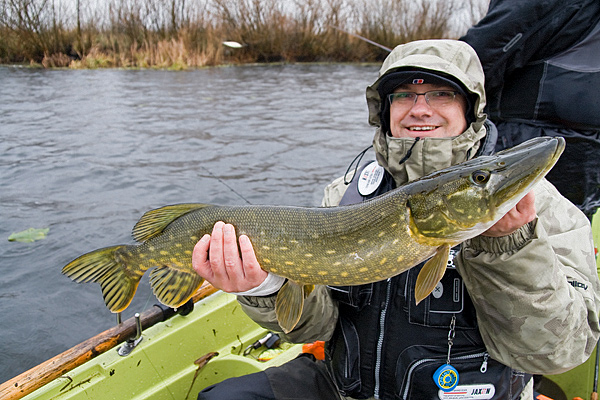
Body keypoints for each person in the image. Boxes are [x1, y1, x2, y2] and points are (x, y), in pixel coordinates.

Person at [192, 40, 600, 400]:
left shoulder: (539, 208)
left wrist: (508, 248)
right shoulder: (347, 195)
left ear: (470, 108)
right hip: (345, 386)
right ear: (384, 110)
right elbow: (314, 329)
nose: (420, 109)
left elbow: (557, 353)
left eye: (441, 94)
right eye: (404, 95)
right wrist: (264, 286)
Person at [460, 0, 600, 219]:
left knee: (525, 235)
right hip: (584, 151)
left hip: (528, 141)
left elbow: (474, 62)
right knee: (570, 233)